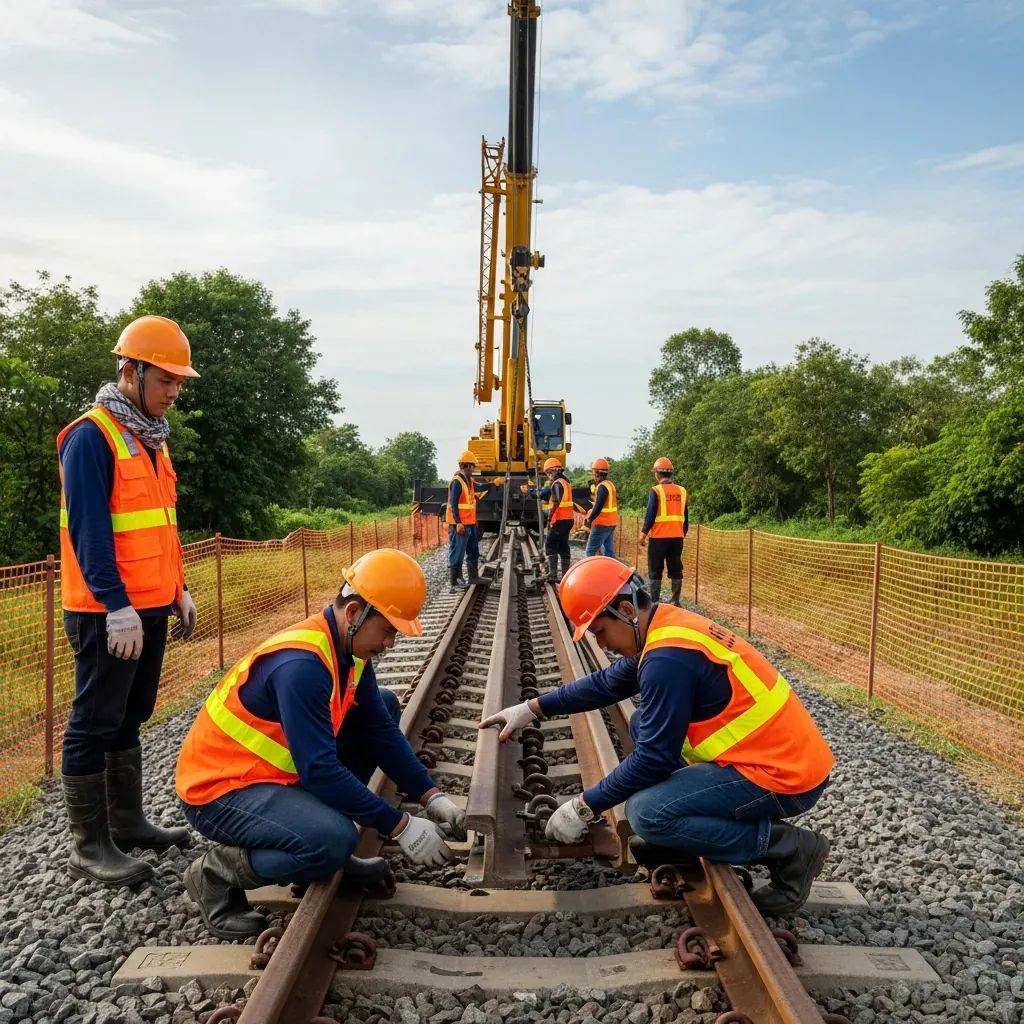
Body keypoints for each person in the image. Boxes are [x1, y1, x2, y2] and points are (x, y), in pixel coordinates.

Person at [479, 557, 834, 917]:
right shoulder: (665, 625)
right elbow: (607, 682)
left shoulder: (668, 660)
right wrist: (532, 708)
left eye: (600, 631)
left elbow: (653, 758)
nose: (601, 644)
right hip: (774, 755)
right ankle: (687, 831)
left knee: (647, 813)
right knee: (641, 726)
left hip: (784, 776)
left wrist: (583, 807)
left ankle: (790, 849)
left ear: (625, 609)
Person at [175, 549, 466, 939]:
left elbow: (380, 730)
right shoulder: (303, 667)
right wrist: (400, 826)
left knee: (384, 705)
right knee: (332, 838)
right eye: (388, 630)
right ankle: (215, 873)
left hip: (272, 777)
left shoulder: (347, 651)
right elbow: (320, 771)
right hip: (220, 790)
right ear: (354, 613)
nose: (391, 643)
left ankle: (322, 845)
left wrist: (431, 796)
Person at [57, 315, 199, 887]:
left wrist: (178, 588)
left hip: (149, 607)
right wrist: (115, 604)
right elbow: (88, 531)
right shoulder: (92, 436)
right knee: (93, 720)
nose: (174, 390)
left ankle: (129, 821)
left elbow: (160, 527)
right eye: (165, 379)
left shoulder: (150, 439)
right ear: (131, 371)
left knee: (129, 715)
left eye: (179, 382)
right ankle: (89, 846)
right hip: (106, 613)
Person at [639, 457, 688, 605]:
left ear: (657, 474)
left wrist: (643, 534)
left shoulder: (656, 491)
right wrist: (682, 533)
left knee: (655, 569)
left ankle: (655, 602)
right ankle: (675, 601)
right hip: (677, 538)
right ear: (670, 474)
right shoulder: (682, 491)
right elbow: (685, 515)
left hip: (659, 538)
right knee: (676, 568)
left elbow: (650, 514)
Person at [446, 450, 487, 590]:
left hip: (470, 523)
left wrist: (495, 483)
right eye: (473, 466)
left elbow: (479, 487)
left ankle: (473, 576)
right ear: (467, 466)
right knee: (457, 551)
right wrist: (458, 522)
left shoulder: (468, 480)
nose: (474, 469)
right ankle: (455, 581)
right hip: (460, 524)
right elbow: (453, 503)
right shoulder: (457, 481)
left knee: (473, 550)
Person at [542, 457, 575, 582]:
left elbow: (556, 502)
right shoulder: (566, 482)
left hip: (560, 519)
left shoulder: (557, 484)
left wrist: (550, 516)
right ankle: (565, 575)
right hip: (568, 519)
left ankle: (553, 574)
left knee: (550, 543)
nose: (548, 476)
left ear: (553, 471)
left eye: (548, 473)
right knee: (563, 545)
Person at [583, 458, 618, 559]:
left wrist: (590, 519)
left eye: (593, 472)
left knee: (590, 551)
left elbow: (598, 506)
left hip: (602, 523)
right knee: (609, 552)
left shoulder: (602, 487)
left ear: (598, 472)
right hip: (611, 522)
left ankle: (592, 573)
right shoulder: (610, 485)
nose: (593, 475)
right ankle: (611, 572)